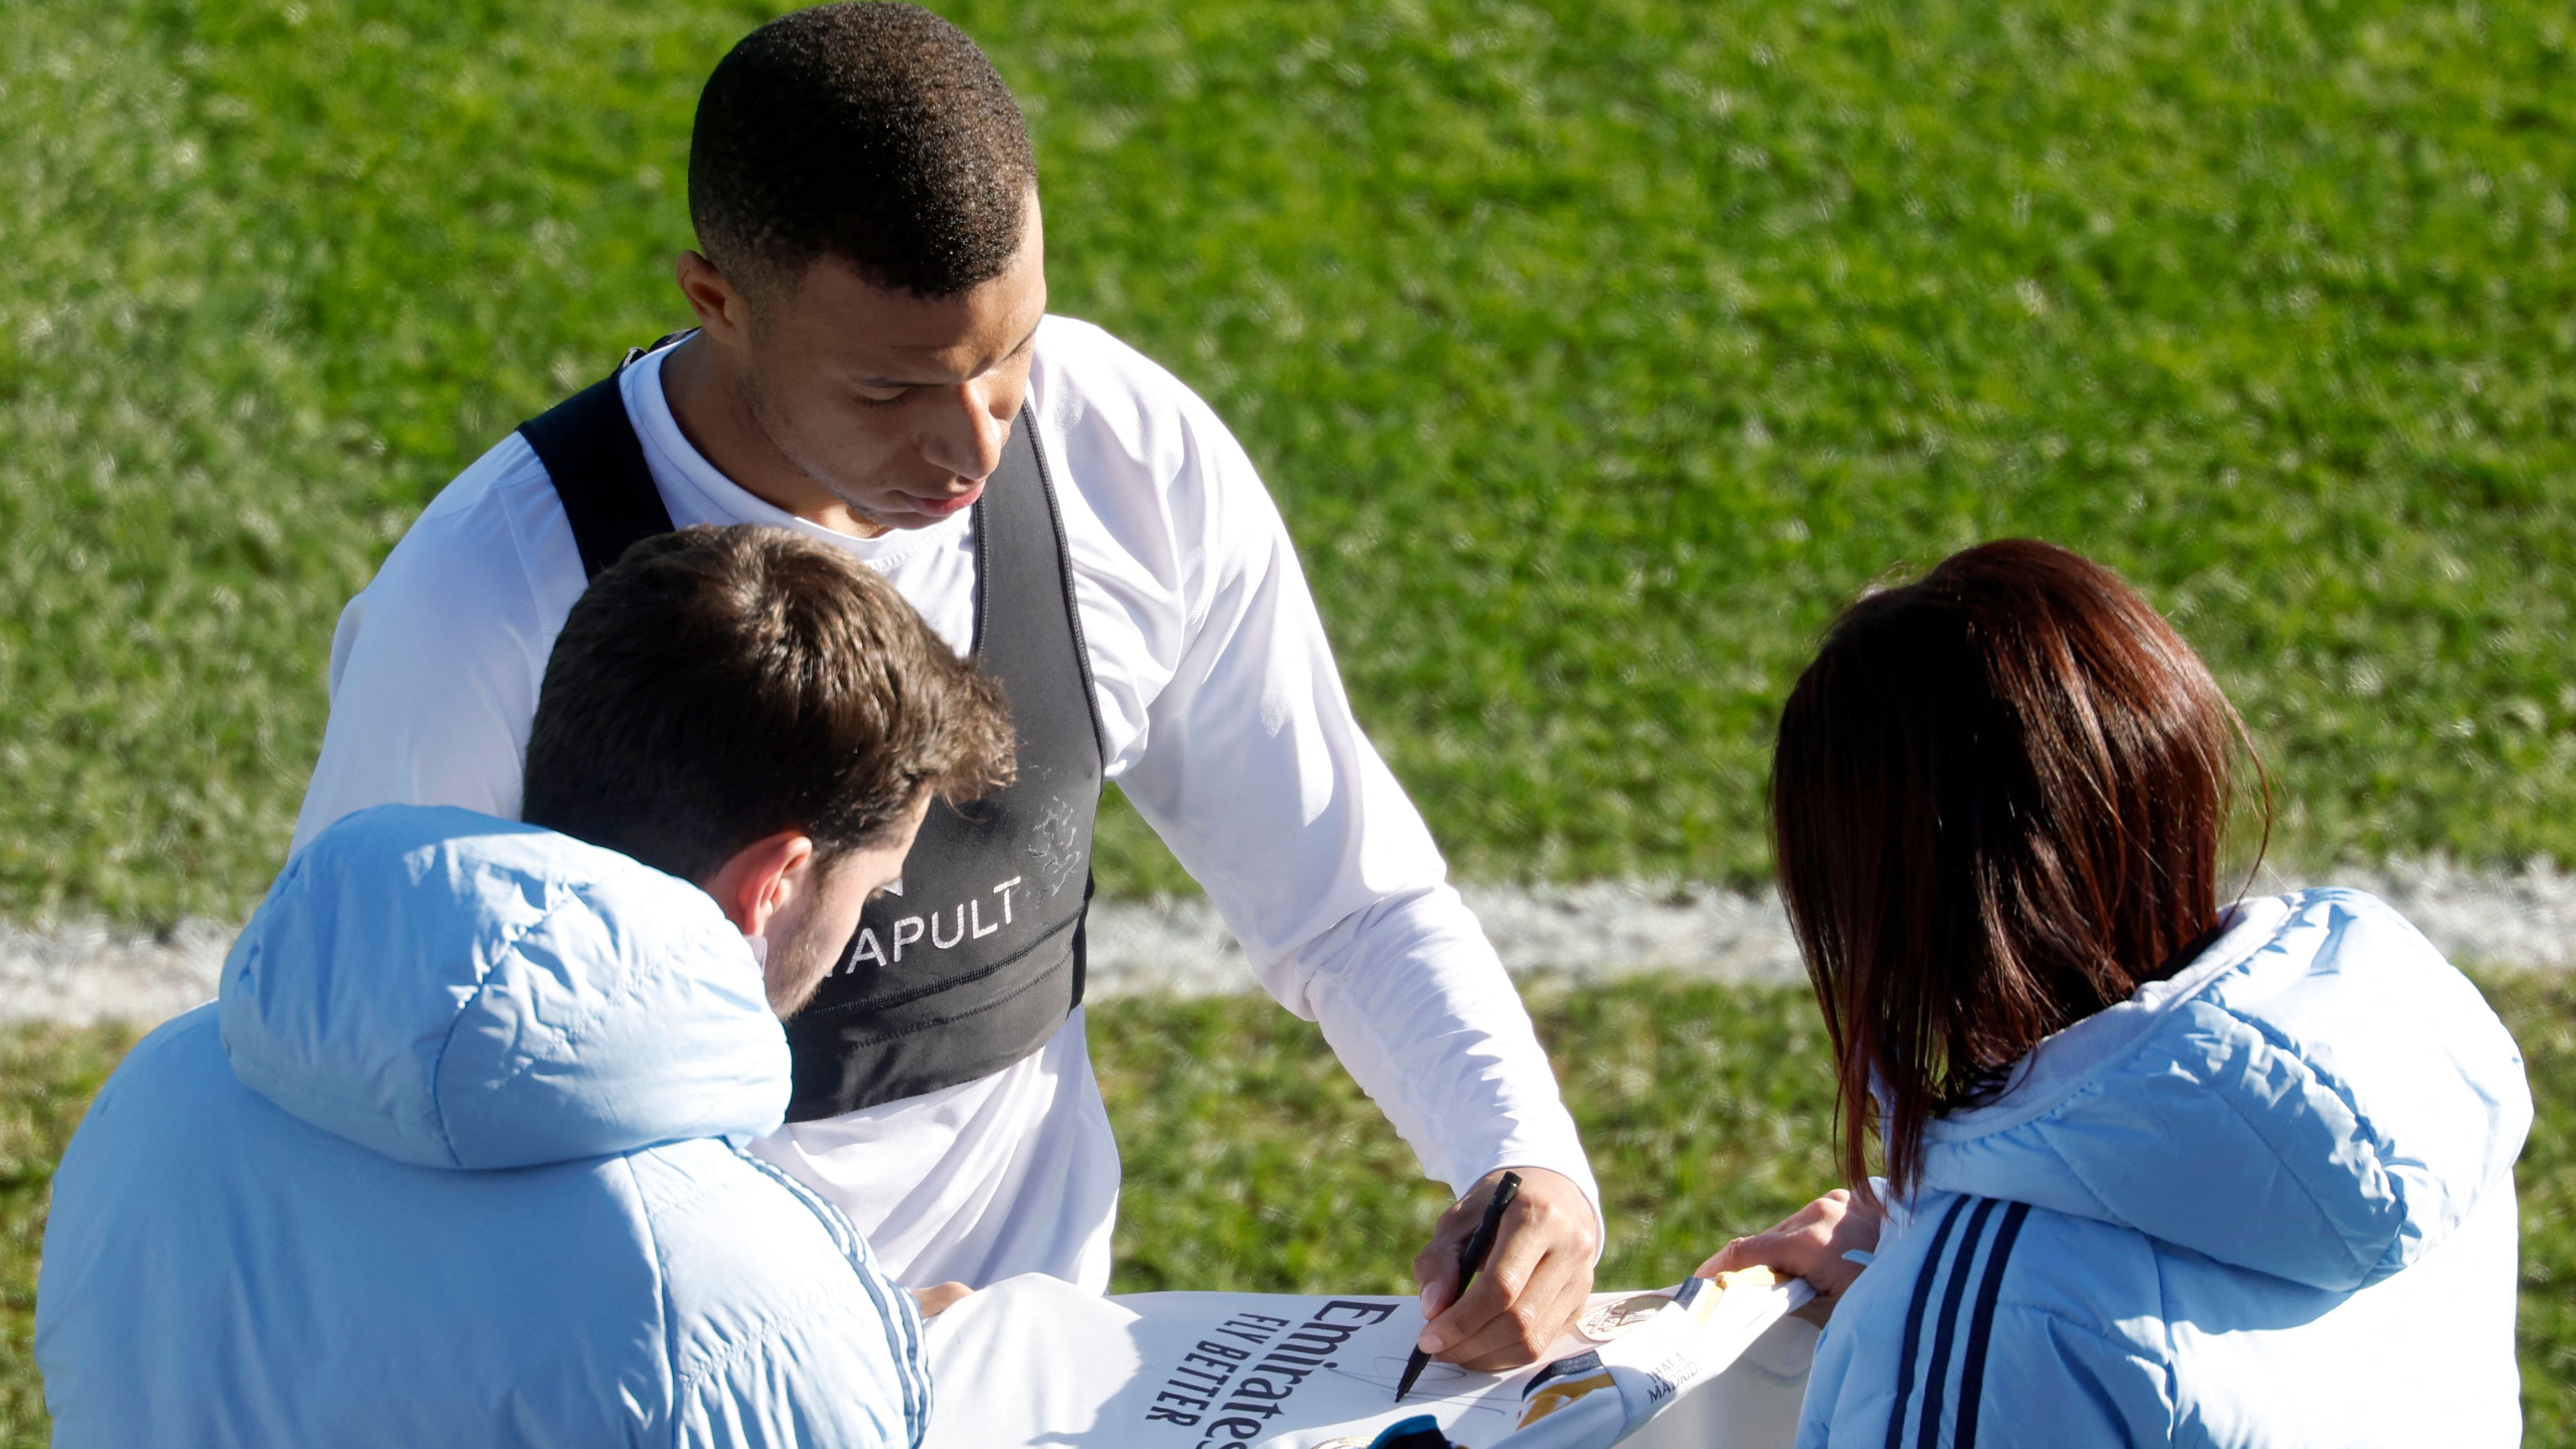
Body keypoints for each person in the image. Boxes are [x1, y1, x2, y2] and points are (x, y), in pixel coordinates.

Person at [287, 1, 1598, 1366]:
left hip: (1028, 1380)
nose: (970, 445)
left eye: (1009, 355)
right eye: (888, 391)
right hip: (649, 1381)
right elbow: (364, 1099)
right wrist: (797, 1332)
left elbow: (1345, 897)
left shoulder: (1122, 457)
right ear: (715, 300)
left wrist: (1523, 1156)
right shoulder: (486, 597)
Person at [38, 526, 1013, 1446]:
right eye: (872, 890)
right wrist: (842, 1370)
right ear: (778, 881)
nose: (858, 932)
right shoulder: (737, 1298)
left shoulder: (156, 1095)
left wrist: (850, 1342)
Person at [1699, 539, 2530, 1446]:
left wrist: (1947, 1307)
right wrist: (1937, 1263)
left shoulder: (1996, 1314)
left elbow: (2051, 1323)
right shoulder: (2397, 1067)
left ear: (1889, 917)